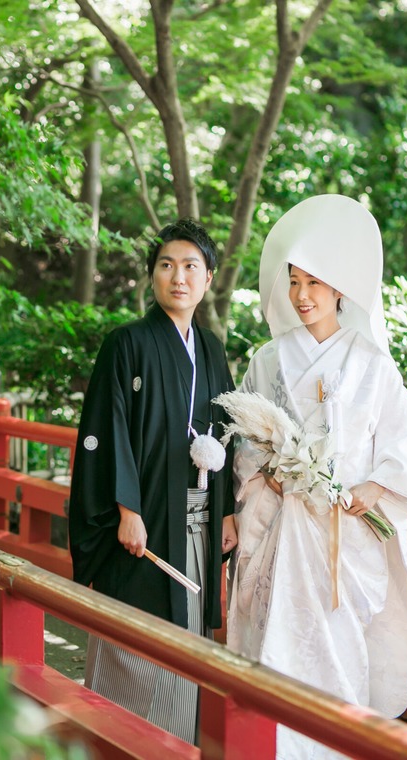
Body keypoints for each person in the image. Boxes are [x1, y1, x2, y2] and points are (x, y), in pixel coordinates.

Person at [225, 195, 407, 758]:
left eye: (315, 281)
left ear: (340, 287)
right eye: (293, 281)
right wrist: (270, 472)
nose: (302, 295)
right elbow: (246, 445)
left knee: (337, 651)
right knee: (275, 643)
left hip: (342, 536)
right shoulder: (268, 360)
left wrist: (374, 486)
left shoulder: (372, 365)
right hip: (282, 526)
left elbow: (404, 442)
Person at [68, 218, 238, 744]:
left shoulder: (210, 348)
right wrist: (126, 509)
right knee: (136, 640)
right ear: (152, 276)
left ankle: (175, 744)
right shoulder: (127, 344)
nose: (178, 277)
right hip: (142, 528)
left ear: (208, 279)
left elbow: (229, 429)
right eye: (167, 266)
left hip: (198, 522)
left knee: (186, 643)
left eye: (191, 267)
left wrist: (228, 510)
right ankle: (118, 742)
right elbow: (106, 430)